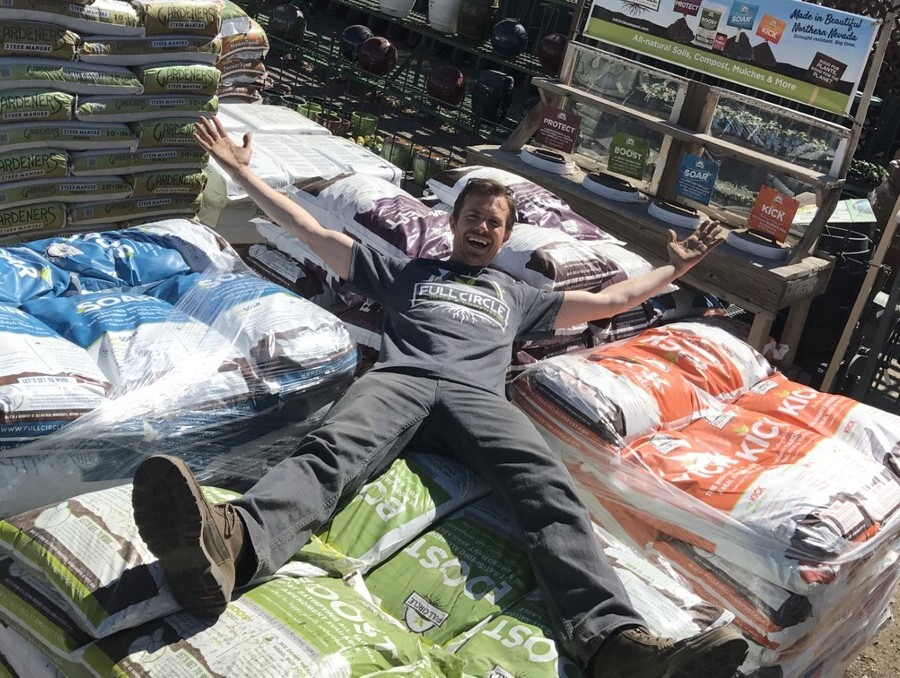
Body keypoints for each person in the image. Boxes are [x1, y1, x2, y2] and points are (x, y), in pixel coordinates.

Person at [132, 115, 748, 678]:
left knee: (549, 488)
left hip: (479, 398)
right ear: (453, 225)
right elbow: (310, 228)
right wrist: (243, 173)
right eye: (473, 216)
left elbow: (614, 302)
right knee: (332, 450)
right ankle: (232, 545)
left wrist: (675, 269)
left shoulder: (519, 295)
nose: (483, 227)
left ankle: (616, 644)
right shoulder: (408, 273)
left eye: (495, 222)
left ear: (505, 236)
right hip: (401, 379)